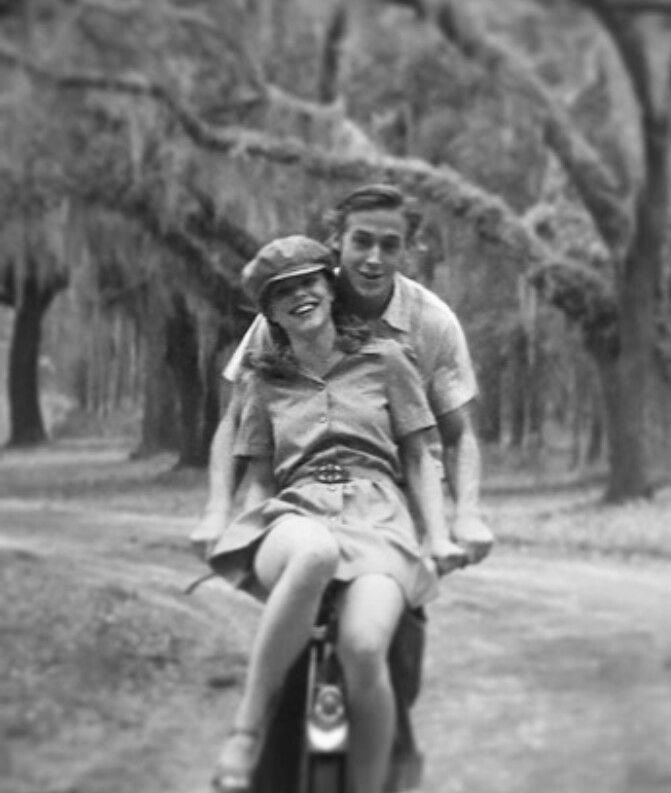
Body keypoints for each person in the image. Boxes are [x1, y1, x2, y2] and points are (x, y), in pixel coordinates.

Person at [209, 234, 465, 793]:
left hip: (379, 518)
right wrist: (241, 536)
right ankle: (247, 730)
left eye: (308, 283)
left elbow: (422, 456)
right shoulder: (262, 379)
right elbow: (257, 475)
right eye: (283, 293)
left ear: (329, 287)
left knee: (365, 647)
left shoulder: (387, 360)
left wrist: (439, 536)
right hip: (296, 513)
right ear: (270, 312)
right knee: (314, 552)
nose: (300, 297)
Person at [193, 183, 492, 561]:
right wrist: (217, 513)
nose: (373, 258)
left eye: (390, 245)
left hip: (398, 497)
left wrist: (466, 515)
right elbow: (239, 421)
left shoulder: (432, 322)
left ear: (408, 249)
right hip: (304, 493)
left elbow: (458, 433)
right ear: (337, 240)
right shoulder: (296, 305)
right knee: (302, 586)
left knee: (388, 604)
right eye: (362, 241)